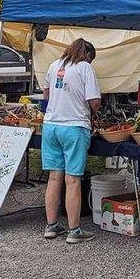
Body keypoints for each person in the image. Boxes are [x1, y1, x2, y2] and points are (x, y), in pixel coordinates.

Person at [42, 38, 101, 244]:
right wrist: (94, 109)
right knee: (73, 179)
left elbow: (46, 94)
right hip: (74, 127)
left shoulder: (54, 65)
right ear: (87, 54)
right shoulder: (85, 68)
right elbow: (94, 101)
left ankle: (51, 226)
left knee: (54, 178)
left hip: (50, 126)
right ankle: (74, 230)